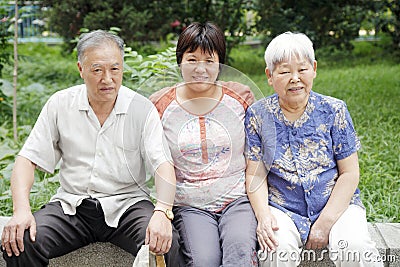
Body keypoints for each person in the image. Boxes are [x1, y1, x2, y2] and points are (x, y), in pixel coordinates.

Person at [1, 30, 183, 266]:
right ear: (81, 69)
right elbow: (27, 160)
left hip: (127, 206)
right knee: (21, 241)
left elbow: (163, 164)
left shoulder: (141, 109)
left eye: (115, 69)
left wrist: (162, 212)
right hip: (72, 207)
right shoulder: (60, 104)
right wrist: (21, 210)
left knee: (165, 245)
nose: (107, 79)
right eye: (97, 70)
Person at [245, 31, 382, 267]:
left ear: (314, 69)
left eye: (302, 69)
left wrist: (325, 223)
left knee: (356, 248)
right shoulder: (258, 115)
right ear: (269, 76)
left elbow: (350, 173)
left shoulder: (334, 110)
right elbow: (255, 174)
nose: (295, 78)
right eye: (285, 71)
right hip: (283, 208)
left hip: (337, 206)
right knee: (275, 249)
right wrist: (263, 215)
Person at [149, 22, 258, 267]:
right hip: (191, 205)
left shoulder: (240, 96)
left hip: (237, 199)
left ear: (220, 63)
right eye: (192, 59)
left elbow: (257, 151)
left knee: (240, 250)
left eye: (209, 61)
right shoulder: (160, 104)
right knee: (202, 261)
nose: (201, 69)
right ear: (180, 61)